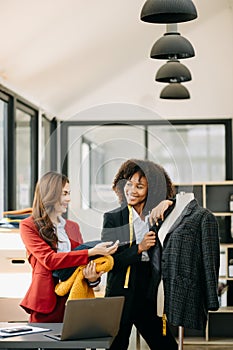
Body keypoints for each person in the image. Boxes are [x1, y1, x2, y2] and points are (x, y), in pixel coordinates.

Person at [20, 171, 118, 323]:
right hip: (47, 300)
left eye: (69, 193)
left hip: (74, 298)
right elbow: (49, 260)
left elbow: (81, 265)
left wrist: (92, 278)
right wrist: (90, 251)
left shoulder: (73, 227)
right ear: (50, 193)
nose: (69, 199)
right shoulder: (28, 225)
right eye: (64, 193)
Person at [101, 159, 178, 350]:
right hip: (119, 294)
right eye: (129, 184)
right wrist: (139, 248)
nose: (132, 190)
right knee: (116, 346)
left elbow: (189, 206)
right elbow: (110, 260)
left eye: (140, 186)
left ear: (152, 190)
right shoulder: (113, 218)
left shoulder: (161, 214)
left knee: (167, 346)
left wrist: (169, 202)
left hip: (148, 292)